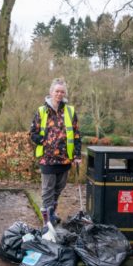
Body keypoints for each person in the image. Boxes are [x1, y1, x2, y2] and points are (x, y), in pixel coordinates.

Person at [29, 77, 81, 227]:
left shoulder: (70, 112)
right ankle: (47, 222)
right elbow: (32, 133)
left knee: (58, 190)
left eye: (62, 92)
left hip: (65, 159)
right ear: (51, 92)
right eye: (57, 91)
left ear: (65, 94)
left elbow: (77, 134)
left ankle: (51, 213)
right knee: (47, 191)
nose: (59, 94)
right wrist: (44, 141)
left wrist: (77, 155)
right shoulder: (42, 111)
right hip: (47, 159)